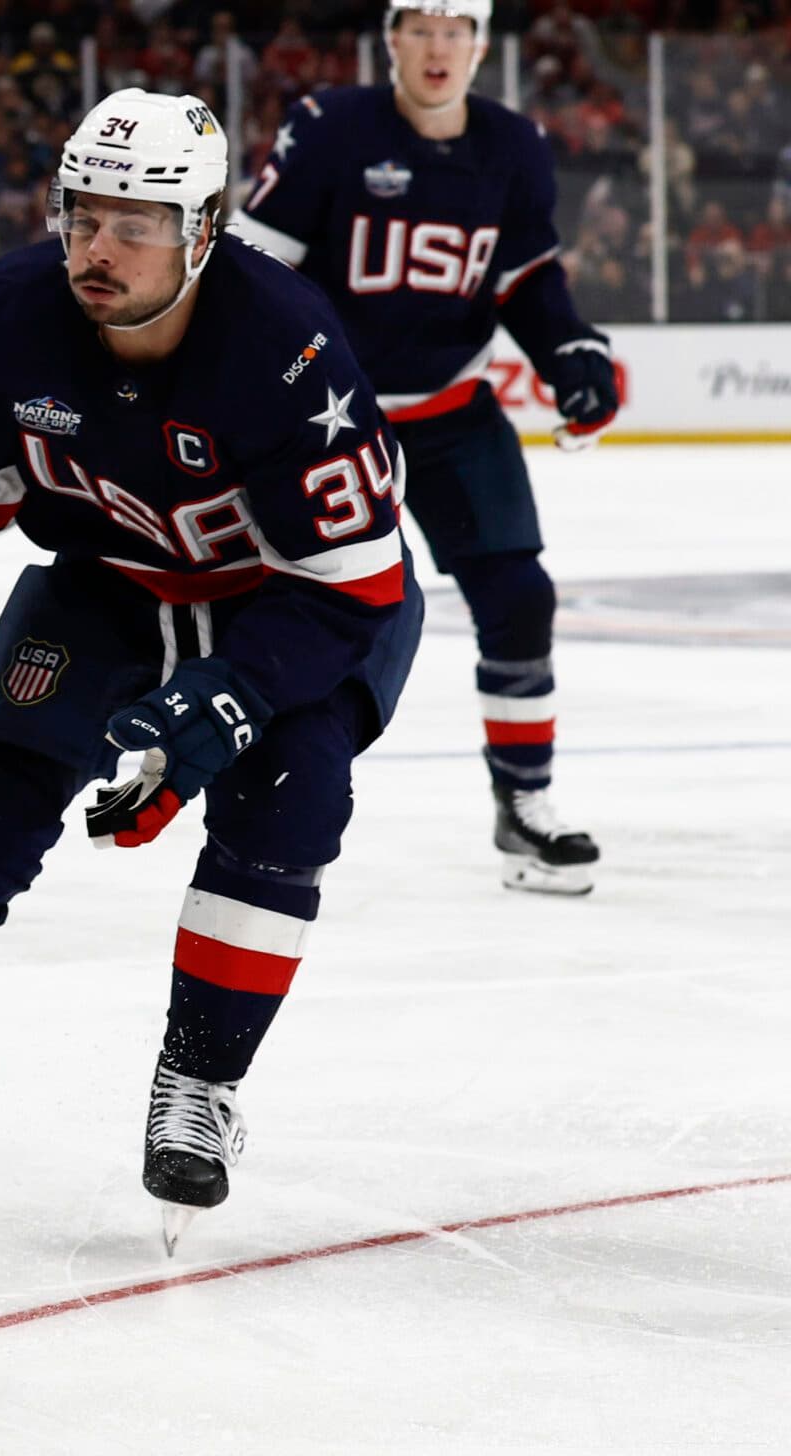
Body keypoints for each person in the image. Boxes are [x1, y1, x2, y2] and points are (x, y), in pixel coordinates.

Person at [0, 89, 423, 1257]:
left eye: (136, 223)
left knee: (291, 792)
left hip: (289, 604)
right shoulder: (2, 314)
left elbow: (348, 582)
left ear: (203, 231)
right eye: (82, 214)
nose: (96, 248)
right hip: (108, 583)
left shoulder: (284, 342)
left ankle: (198, 1083)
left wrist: (233, 695)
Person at [235, 0, 610, 895]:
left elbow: (526, 276)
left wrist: (571, 352)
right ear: (392, 39)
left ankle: (525, 802)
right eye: (423, 28)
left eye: (457, 31)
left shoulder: (513, 144)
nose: (439, 47)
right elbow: (253, 266)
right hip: (330, 414)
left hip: (451, 410)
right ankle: (268, 788)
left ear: (480, 46)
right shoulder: (329, 127)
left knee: (520, 595)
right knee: (322, 613)